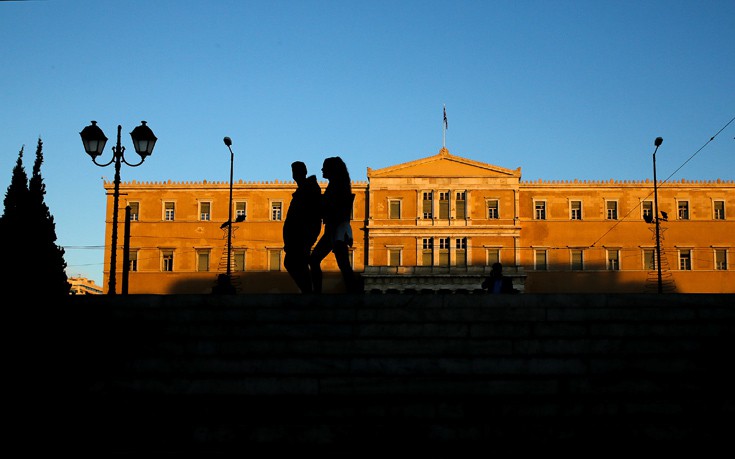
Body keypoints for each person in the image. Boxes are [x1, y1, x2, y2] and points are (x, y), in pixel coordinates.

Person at [309, 156, 359, 293]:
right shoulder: (338, 185)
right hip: (335, 229)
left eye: (324, 167)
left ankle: (317, 293)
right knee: (342, 264)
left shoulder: (336, 187)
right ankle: (352, 291)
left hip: (336, 230)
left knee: (319, 261)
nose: (322, 169)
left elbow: (331, 207)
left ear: (332, 169)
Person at [283, 161, 322, 293]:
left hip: (302, 234)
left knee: (295, 262)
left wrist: (308, 234)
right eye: (294, 171)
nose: (295, 174)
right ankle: (307, 291)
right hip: (297, 235)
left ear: (304, 172)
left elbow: (313, 214)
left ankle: (308, 292)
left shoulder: (310, 189)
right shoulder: (303, 189)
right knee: (296, 262)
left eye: (297, 171)